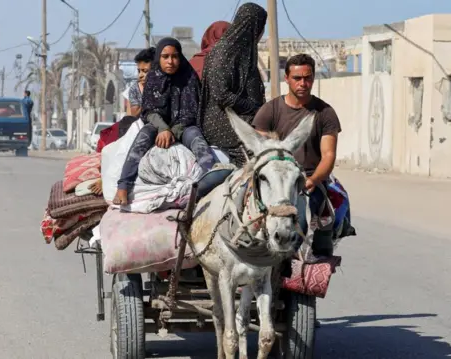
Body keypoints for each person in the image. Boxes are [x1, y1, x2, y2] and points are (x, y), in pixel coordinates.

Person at [252, 54, 342, 256]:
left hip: (308, 179)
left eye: (308, 78)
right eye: (297, 78)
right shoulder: (270, 110)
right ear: (287, 79)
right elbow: (259, 152)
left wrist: (313, 180)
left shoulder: (325, 113)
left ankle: (310, 261)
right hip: (276, 180)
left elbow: (328, 155)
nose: (303, 83)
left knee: (318, 219)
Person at [113, 37, 218, 205]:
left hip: (184, 126)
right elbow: (149, 111)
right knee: (143, 136)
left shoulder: (188, 76)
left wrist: (172, 132)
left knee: (197, 139)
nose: (171, 61)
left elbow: (191, 112)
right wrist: (163, 129)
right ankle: (124, 185)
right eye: (165, 57)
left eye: (175, 56)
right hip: (157, 125)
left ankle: (213, 180)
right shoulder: (153, 77)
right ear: (159, 59)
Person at [199, 2, 267, 167]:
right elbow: (221, 95)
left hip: (244, 116)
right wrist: (254, 108)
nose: (261, 32)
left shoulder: (245, 53)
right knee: (259, 157)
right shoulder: (222, 54)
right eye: (261, 26)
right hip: (222, 121)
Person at [126, 47, 155, 118]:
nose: (140, 75)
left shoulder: (165, 86)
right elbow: (134, 114)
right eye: (139, 71)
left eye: (145, 71)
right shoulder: (135, 89)